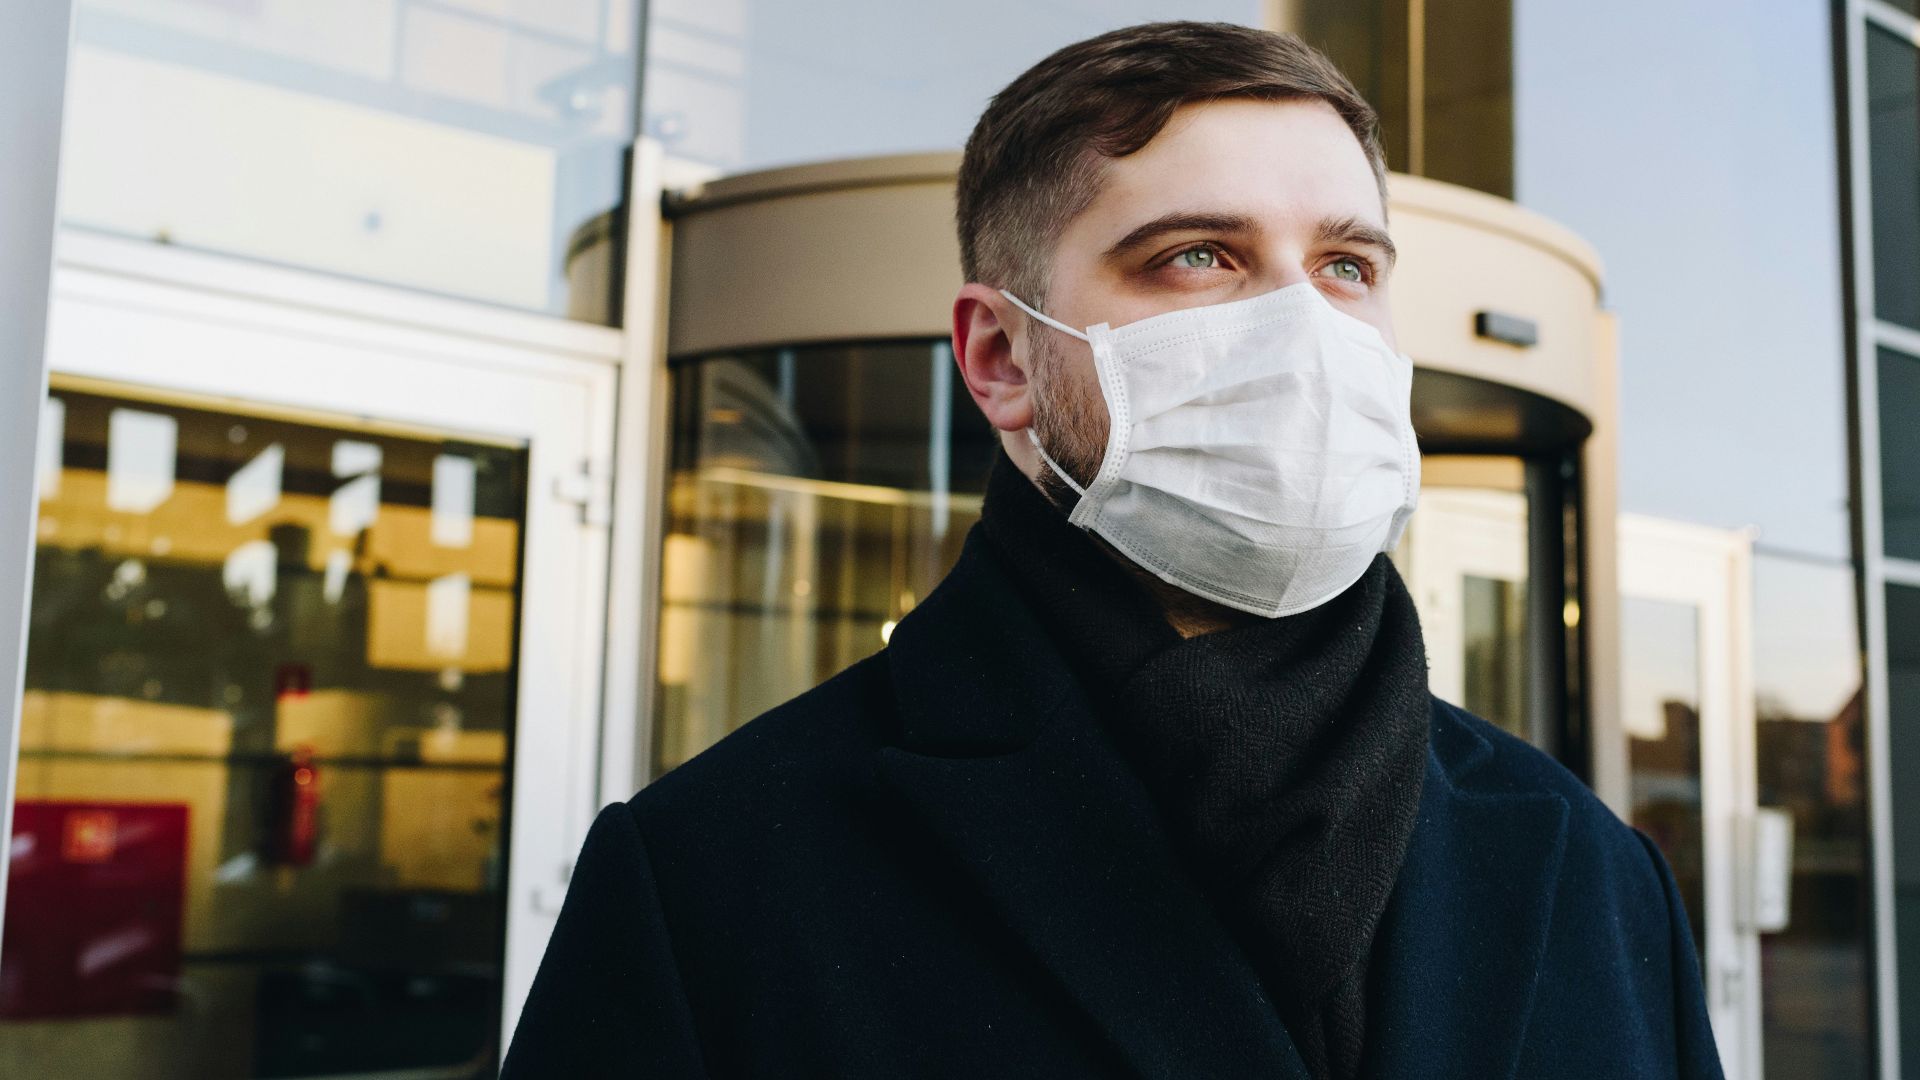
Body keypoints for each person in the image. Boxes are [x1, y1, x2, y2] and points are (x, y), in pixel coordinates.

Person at [501, 21, 1722, 1080]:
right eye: (1201, 254)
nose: (1302, 326)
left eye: (1347, 266)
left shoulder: (1590, 865)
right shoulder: (713, 878)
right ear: (1001, 359)